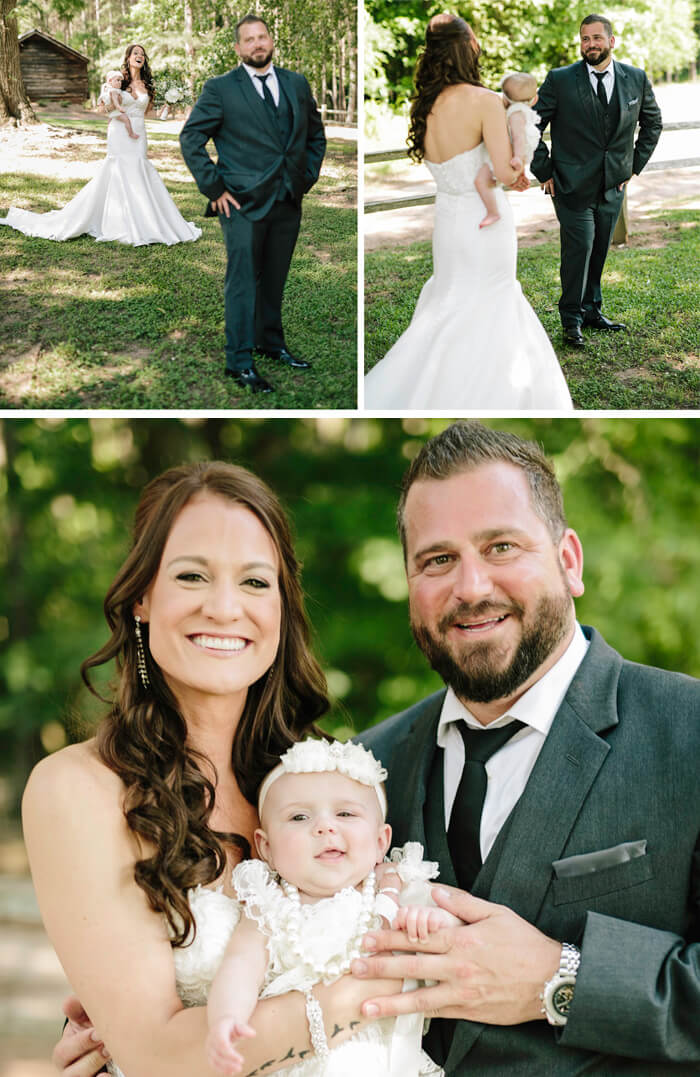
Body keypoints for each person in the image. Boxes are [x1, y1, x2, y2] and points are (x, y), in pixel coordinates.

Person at [23, 461, 399, 1077]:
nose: (225, 608)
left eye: (255, 582)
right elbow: (157, 1056)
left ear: (281, 605)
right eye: (193, 575)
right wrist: (367, 996)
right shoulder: (78, 789)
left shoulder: (320, 781)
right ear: (142, 597)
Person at [350, 420, 700, 1074]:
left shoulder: (691, 730)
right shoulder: (366, 769)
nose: (472, 587)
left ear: (569, 560)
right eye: (438, 559)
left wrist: (563, 978)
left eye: (501, 546)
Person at [206, 737, 453, 1076]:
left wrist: (426, 922)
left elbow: (454, 937)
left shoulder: (397, 890)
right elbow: (240, 964)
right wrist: (226, 1017)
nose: (325, 826)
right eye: (299, 817)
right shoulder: (270, 905)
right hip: (292, 1061)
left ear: (381, 841)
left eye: (345, 813)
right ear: (266, 847)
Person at [363, 15, 573, 410]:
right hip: (484, 223)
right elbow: (510, 175)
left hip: (448, 222)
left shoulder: (425, 105)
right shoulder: (485, 101)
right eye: (475, 40)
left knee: (452, 300)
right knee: (491, 301)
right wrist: (526, 136)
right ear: (467, 48)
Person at [179, 15, 326, 393]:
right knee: (242, 281)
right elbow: (191, 138)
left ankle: (270, 343)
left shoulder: (296, 82)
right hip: (240, 203)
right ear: (238, 48)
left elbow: (315, 134)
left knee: (275, 276)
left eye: (262, 37)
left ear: (271, 40)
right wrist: (214, 189)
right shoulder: (220, 88)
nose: (257, 44)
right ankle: (239, 361)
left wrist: (305, 177)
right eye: (249, 40)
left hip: (288, 197)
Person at [531, 15, 662, 347]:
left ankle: (592, 311)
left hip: (612, 186)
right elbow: (529, 126)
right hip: (570, 186)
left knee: (600, 249)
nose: (590, 44)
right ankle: (571, 320)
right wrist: (544, 170)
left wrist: (632, 167)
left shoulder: (635, 78)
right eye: (585, 39)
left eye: (596, 38)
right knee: (579, 249)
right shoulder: (560, 79)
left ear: (611, 41)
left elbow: (653, 124)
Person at [0, 44, 201, 246]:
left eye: (142, 54)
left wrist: (167, 104)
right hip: (118, 131)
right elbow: (103, 108)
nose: (139, 56)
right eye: (135, 53)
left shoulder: (147, 85)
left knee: (139, 166)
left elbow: (150, 113)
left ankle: (144, 220)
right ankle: (116, 220)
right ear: (128, 57)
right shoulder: (118, 79)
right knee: (117, 169)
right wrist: (110, 104)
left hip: (139, 132)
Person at [474, 73, 540, 228]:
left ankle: (492, 212)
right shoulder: (521, 110)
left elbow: (519, 138)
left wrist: (518, 158)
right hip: (521, 151)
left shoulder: (516, 113)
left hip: (519, 150)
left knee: (482, 179)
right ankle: (494, 207)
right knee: (489, 179)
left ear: (505, 98)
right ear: (534, 99)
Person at [99, 71, 139, 140]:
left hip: (125, 116)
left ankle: (109, 131)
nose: (120, 82)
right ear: (110, 81)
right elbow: (101, 109)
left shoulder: (118, 90)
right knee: (126, 120)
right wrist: (115, 106)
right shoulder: (112, 90)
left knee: (111, 120)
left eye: (121, 81)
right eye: (118, 80)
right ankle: (131, 133)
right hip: (117, 112)